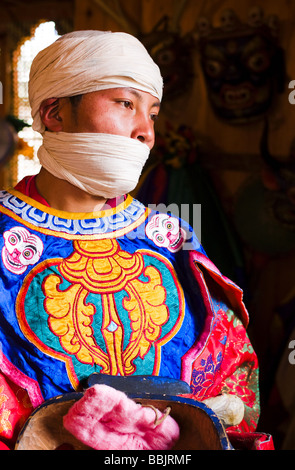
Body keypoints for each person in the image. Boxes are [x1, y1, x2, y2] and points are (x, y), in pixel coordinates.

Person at [0, 30, 260, 450]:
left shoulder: (172, 240)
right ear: (53, 113)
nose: (146, 132)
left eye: (152, 114)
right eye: (125, 104)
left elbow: (233, 378)